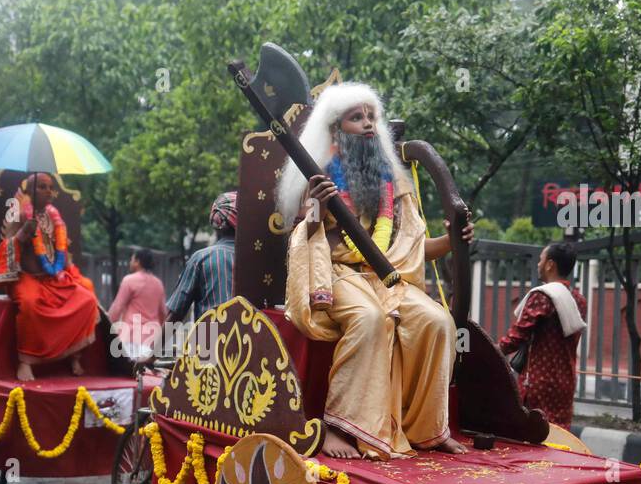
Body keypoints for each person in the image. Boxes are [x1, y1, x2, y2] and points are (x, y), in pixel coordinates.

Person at [278, 82, 473, 459]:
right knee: (368, 319)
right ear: (337, 130)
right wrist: (316, 209)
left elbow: (415, 249)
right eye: (357, 118)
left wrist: (452, 241)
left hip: (389, 279)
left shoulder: (394, 184)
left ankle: (429, 429)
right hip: (340, 274)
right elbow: (307, 236)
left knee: (436, 321)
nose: (368, 124)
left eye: (371, 117)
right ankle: (339, 427)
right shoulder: (318, 176)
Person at [0, 172, 100, 382]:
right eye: (42, 187)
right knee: (30, 305)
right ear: (30, 191)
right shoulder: (20, 215)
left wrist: (68, 272)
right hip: (27, 277)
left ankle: (74, 355)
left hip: (53, 278)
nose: (48, 191)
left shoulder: (55, 217)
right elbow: (6, 247)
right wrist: (23, 234)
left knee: (87, 300)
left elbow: (62, 249)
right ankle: (26, 361)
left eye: (49, 187)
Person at [498, 242, 588, 428]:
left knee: (534, 434)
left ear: (550, 265)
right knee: (560, 437)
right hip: (565, 381)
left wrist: (493, 350)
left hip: (538, 382)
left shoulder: (543, 296)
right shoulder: (578, 299)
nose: (538, 264)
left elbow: (516, 336)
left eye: (541, 260)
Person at [165, 192, 237, 323]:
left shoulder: (201, 258)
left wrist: (155, 344)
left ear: (216, 224)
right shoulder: (258, 261)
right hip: (251, 342)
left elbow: (175, 314)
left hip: (209, 341)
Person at [109, 248, 167, 360]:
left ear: (138, 262)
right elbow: (163, 313)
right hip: (151, 340)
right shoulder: (158, 284)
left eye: (132, 259)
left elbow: (117, 307)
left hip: (131, 338)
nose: (130, 262)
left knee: (129, 375)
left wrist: (107, 325)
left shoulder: (129, 280)